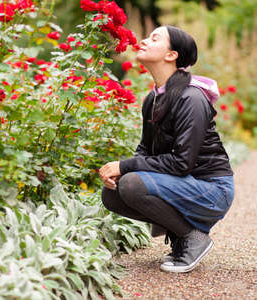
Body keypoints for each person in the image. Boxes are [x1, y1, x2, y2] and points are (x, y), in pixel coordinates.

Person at [99, 25, 235, 273]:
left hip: (213, 190)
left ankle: (193, 239)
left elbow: (182, 163)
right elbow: (145, 149)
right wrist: (122, 170)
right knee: (114, 192)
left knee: (131, 183)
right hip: (184, 184)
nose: (143, 40)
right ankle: (182, 234)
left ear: (171, 55)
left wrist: (126, 166)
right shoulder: (154, 98)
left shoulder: (191, 98)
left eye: (154, 38)